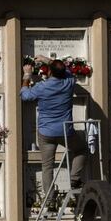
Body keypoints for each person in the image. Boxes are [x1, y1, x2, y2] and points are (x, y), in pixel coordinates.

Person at [20, 55, 87, 211]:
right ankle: (75, 179)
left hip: (46, 132)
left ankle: (50, 200)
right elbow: (66, 71)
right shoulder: (69, 82)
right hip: (65, 131)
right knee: (81, 149)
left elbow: (24, 95)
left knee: (47, 166)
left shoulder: (42, 87)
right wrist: (48, 61)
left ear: (48, 72)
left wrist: (27, 75)